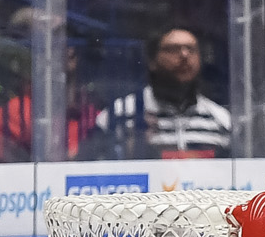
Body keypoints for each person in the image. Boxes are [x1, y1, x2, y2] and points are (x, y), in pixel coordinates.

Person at [79, 25, 232, 160]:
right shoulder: (117, 116)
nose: (184, 56)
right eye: (173, 49)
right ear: (152, 61)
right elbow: (88, 171)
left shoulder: (221, 121)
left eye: (191, 50)